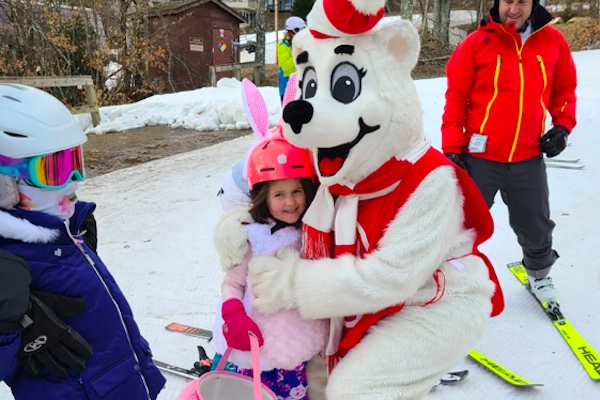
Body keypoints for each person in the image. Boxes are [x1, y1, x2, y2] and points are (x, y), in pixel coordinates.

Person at [0, 84, 166, 399]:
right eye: (54, 169)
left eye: (76, 162)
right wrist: (5, 325)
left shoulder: (65, 233)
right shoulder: (7, 266)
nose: (75, 180)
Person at [442, 0, 577, 311]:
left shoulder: (553, 41)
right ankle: (446, 278)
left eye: (522, 2)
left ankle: (539, 275)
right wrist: (452, 147)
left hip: (528, 157)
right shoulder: (477, 44)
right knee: (461, 225)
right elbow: (455, 97)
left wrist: (562, 127)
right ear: (497, 3)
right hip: (480, 158)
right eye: (508, 1)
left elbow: (564, 90)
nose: (514, 9)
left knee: (536, 224)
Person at [211, 135, 327, 400]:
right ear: (263, 196)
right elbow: (233, 283)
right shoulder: (251, 234)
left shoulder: (309, 230)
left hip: (294, 346)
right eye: (279, 194)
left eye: (296, 191)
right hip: (252, 345)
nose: (290, 202)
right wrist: (232, 312)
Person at [277, 16, 306, 102]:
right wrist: (298, 55)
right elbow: (285, 66)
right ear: (291, 32)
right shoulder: (283, 46)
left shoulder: (300, 45)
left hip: (300, 86)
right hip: (287, 88)